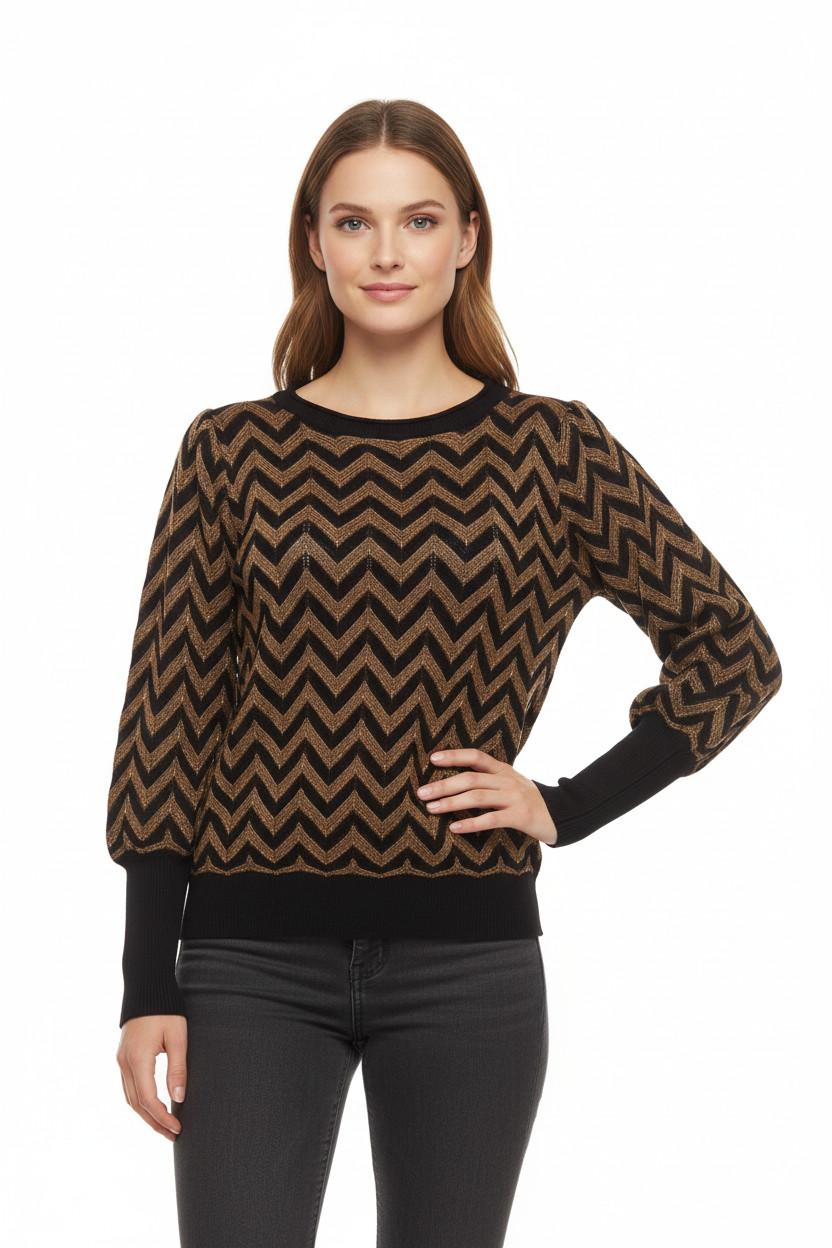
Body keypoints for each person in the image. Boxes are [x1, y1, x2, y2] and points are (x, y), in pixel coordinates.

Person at [107, 98, 783, 1248]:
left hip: (469, 967)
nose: (386, 253)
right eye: (354, 222)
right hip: (247, 963)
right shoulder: (231, 451)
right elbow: (167, 720)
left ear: (468, 237)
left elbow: (733, 650)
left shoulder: (554, 451)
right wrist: (144, 984)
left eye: (418, 220)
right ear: (313, 241)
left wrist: (568, 805)